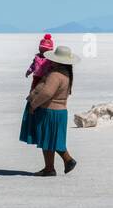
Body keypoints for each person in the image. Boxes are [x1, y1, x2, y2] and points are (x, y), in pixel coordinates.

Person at [20, 44, 79, 176]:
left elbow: (46, 93)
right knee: (49, 139)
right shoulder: (66, 74)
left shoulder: (55, 75)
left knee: (50, 139)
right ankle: (49, 168)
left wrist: (34, 104)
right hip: (60, 112)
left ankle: (67, 160)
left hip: (50, 111)